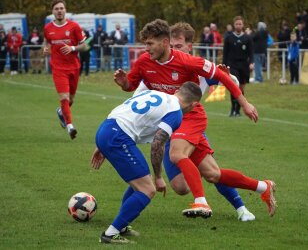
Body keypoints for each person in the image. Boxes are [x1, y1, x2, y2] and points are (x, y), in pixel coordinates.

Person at [114, 19, 276, 220]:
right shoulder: (145, 63)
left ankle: (203, 202)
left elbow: (226, 79)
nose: (146, 49)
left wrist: (244, 103)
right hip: (169, 125)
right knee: (207, 176)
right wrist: (124, 84)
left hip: (191, 118)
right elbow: (133, 89)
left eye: (149, 44)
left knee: (176, 154)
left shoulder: (190, 62)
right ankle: (263, 186)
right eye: (145, 44)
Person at [92, 82, 203, 244]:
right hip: (117, 137)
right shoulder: (176, 113)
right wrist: (158, 176)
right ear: (194, 105)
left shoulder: (156, 93)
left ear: (178, 91)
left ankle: (122, 226)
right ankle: (110, 234)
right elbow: (158, 144)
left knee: (140, 180)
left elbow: (125, 110)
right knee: (147, 189)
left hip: (107, 127)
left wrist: (103, 142)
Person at [43, 0, 88, 139]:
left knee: (71, 100)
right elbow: (46, 43)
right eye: (56, 9)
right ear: (53, 12)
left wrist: (72, 47)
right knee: (64, 98)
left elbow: (84, 45)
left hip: (74, 67)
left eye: (61, 8)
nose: (59, 11)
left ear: (65, 10)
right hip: (58, 68)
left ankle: (61, 112)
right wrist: (45, 49)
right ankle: (70, 127)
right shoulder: (48, 28)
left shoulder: (74, 27)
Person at [223, 16, 254, 117]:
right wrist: (223, 66)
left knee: (241, 88)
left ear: (243, 25)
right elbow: (225, 53)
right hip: (232, 65)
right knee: (234, 86)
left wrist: (251, 62)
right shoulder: (228, 38)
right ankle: (233, 110)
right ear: (234, 25)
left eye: (240, 24)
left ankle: (238, 110)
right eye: (237, 24)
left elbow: (251, 52)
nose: (238, 26)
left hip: (244, 66)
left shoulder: (247, 38)